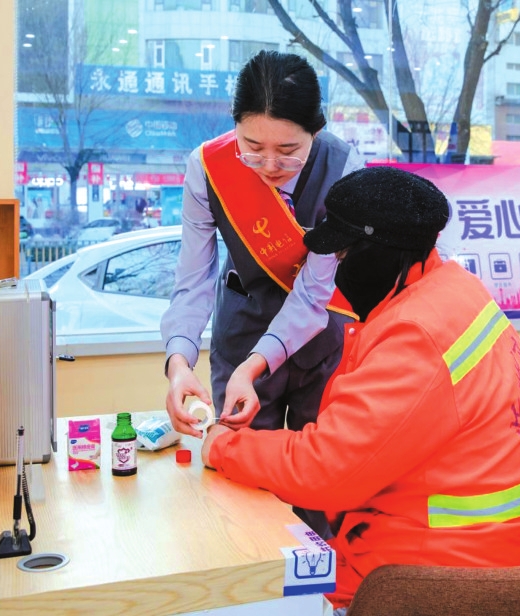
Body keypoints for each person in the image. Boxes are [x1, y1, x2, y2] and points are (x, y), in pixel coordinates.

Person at [201, 166, 520, 613]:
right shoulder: (451, 290)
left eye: (343, 255)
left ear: (378, 254)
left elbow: (324, 470)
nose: (336, 269)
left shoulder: (416, 335)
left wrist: (224, 446)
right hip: (484, 544)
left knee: (245, 593)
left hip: (435, 574)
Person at [160, 50, 363, 535]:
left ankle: (319, 581)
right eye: (252, 146)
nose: (270, 164)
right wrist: (179, 364)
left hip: (321, 335)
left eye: (289, 150)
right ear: (234, 126)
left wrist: (256, 366)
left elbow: (313, 295)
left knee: (320, 483)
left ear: (316, 131)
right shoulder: (208, 168)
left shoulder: (344, 167)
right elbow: (193, 280)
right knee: (242, 483)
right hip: (242, 327)